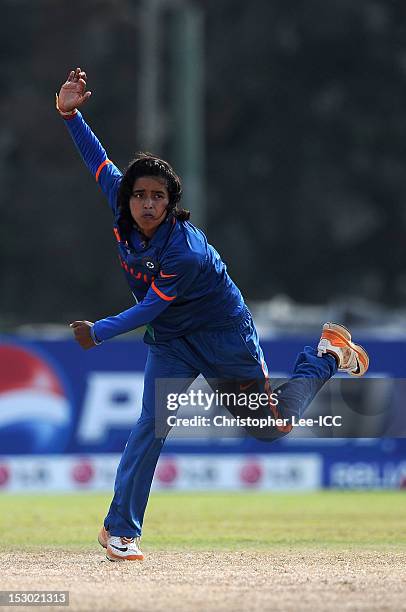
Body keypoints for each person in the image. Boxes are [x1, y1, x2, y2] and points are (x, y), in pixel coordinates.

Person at [57, 67, 369, 562]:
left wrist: (97, 331)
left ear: (171, 203)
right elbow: (98, 160)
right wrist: (71, 113)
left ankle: (327, 354)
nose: (147, 203)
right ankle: (120, 530)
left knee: (270, 430)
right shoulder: (121, 204)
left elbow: (149, 306)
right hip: (172, 341)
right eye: (140, 194)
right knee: (151, 425)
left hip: (223, 336)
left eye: (158, 196)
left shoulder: (185, 253)